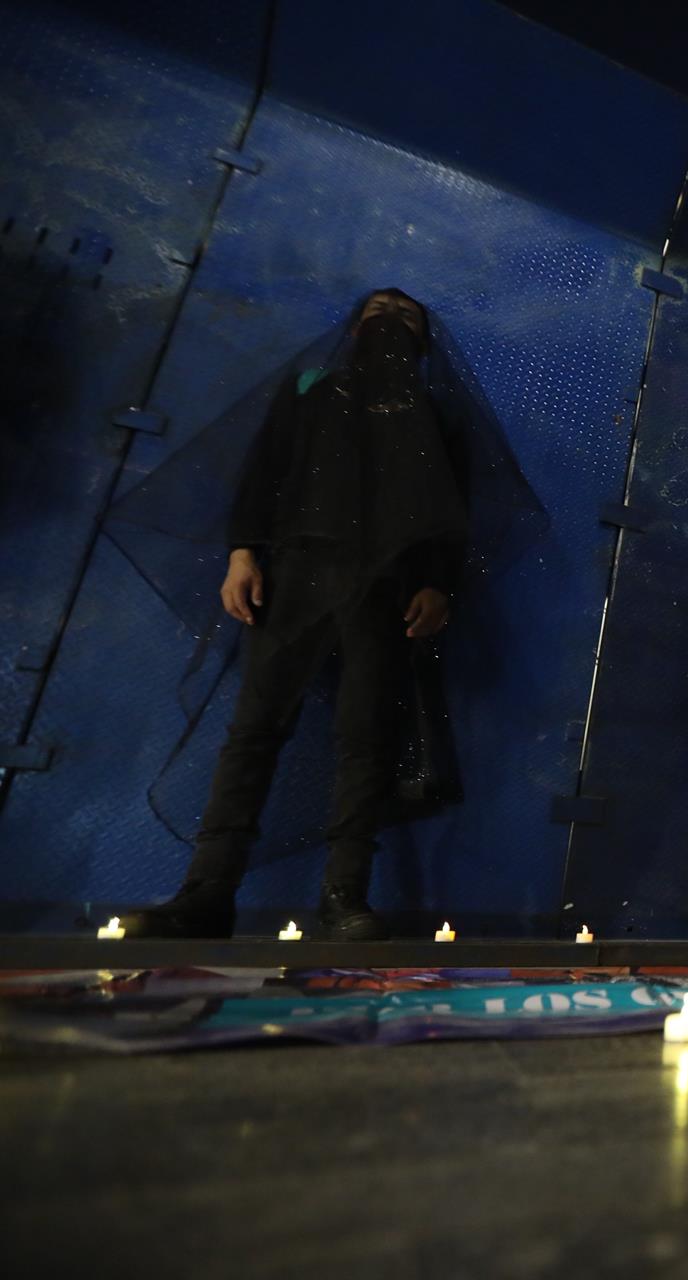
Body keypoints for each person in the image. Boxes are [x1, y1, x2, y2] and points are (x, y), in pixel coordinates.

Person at [120, 289, 473, 940]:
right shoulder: (313, 387)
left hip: (386, 587)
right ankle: (207, 893)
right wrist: (241, 552)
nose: (390, 321)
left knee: (367, 739)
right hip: (297, 572)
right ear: (354, 325)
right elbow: (265, 471)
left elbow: (449, 513)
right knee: (254, 730)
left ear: (422, 344)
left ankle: (344, 898)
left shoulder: (434, 414)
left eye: (406, 317)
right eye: (379, 311)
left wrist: (437, 585)